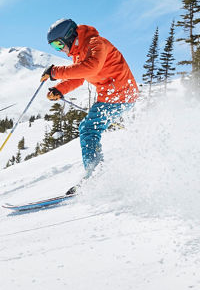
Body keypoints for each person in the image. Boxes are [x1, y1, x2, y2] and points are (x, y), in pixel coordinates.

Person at [40, 18, 138, 192]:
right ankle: (96, 175)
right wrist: (60, 89)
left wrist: (55, 72)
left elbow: (91, 68)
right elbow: (79, 76)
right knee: (88, 128)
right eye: (54, 47)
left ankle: (96, 177)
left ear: (69, 37)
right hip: (113, 95)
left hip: (121, 94)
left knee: (88, 129)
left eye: (58, 44)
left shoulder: (96, 43)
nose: (60, 50)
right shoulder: (79, 52)